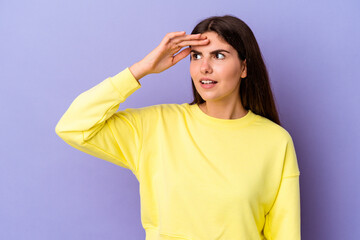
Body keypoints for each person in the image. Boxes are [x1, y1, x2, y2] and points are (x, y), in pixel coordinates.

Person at [55, 15, 301, 240]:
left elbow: (284, 234)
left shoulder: (275, 141)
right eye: (196, 56)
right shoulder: (155, 126)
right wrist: (141, 69)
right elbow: (73, 126)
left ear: (244, 67)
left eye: (218, 55)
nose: (204, 67)